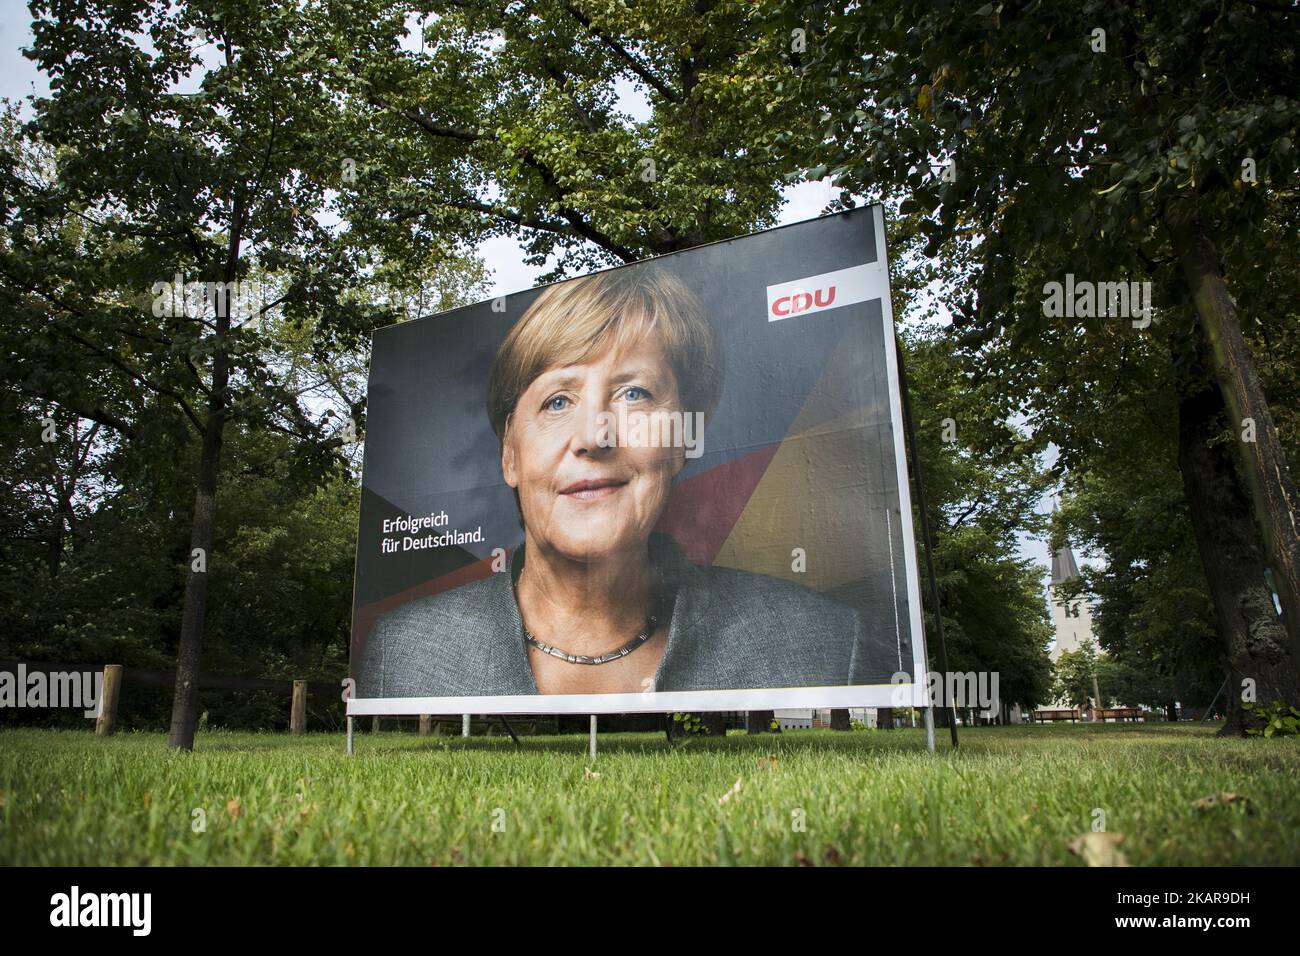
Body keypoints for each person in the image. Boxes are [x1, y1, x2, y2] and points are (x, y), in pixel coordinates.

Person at [357, 266, 889, 697]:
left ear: (682, 438)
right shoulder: (406, 650)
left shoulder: (822, 641)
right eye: (557, 401)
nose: (594, 435)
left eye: (634, 393)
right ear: (510, 456)